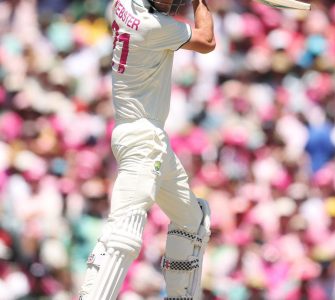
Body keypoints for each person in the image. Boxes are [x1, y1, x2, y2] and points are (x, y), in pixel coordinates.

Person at [78, 0, 215, 299]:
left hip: (150, 137)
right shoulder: (153, 26)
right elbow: (206, 40)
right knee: (123, 234)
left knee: (194, 220)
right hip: (142, 138)